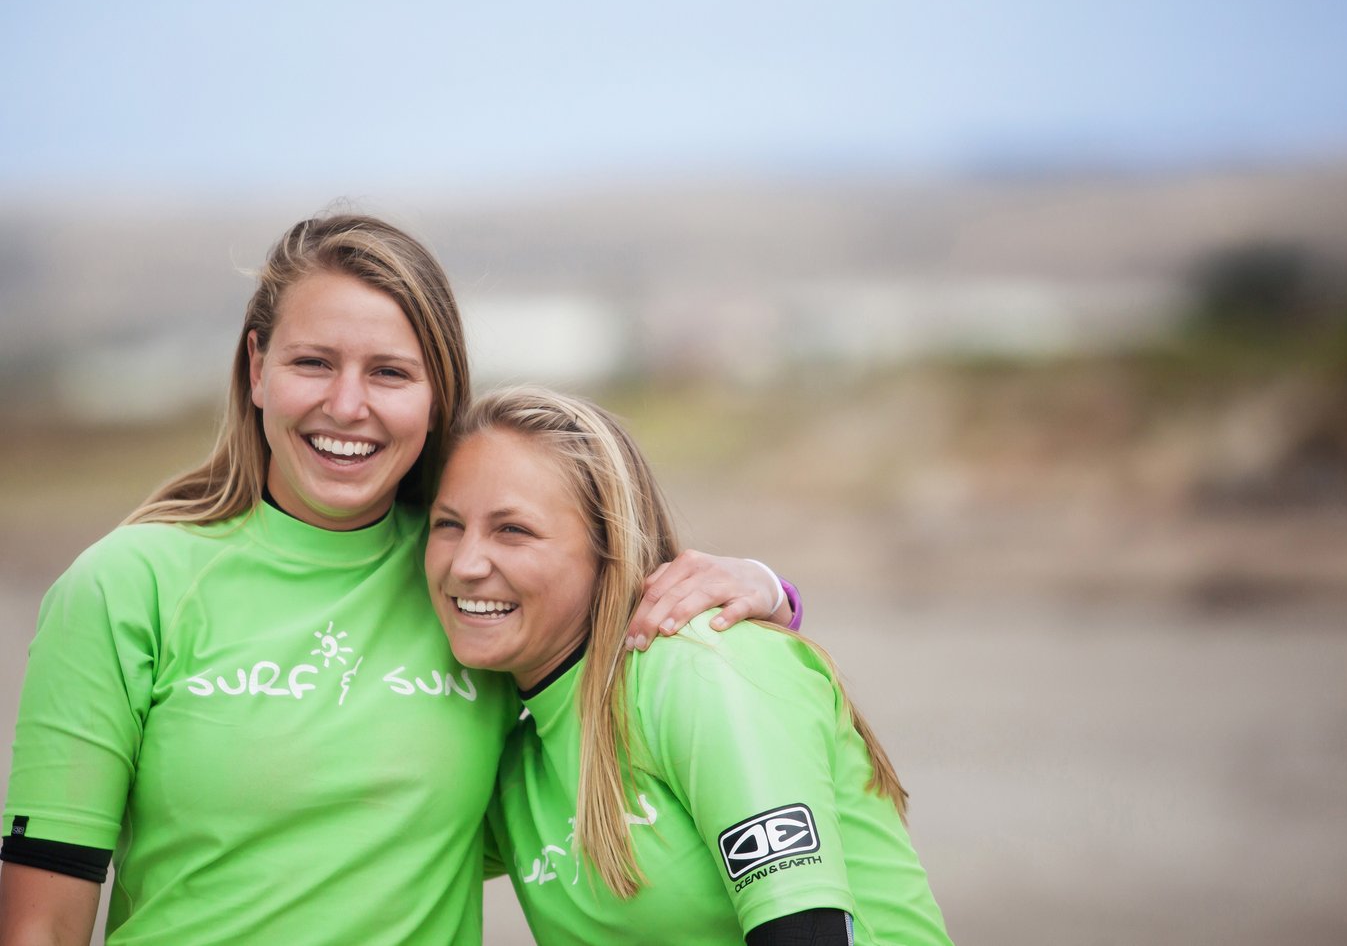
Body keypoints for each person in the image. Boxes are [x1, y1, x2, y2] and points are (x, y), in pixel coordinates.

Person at [0, 214, 797, 946]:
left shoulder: (468, 580)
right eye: (313, 363)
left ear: (436, 395)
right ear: (256, 369)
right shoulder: (122, 586)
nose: (347, 406)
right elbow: (40, 929)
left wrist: (767, 586)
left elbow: (632, 650)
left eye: (389, 372)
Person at [426, 386, 952, 945]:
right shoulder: (511, 751)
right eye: (447, 524)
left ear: (610, 551)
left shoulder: (697, 669)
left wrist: (771, 590)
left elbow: (809, 932)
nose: (467, 563)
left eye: (514, 530)